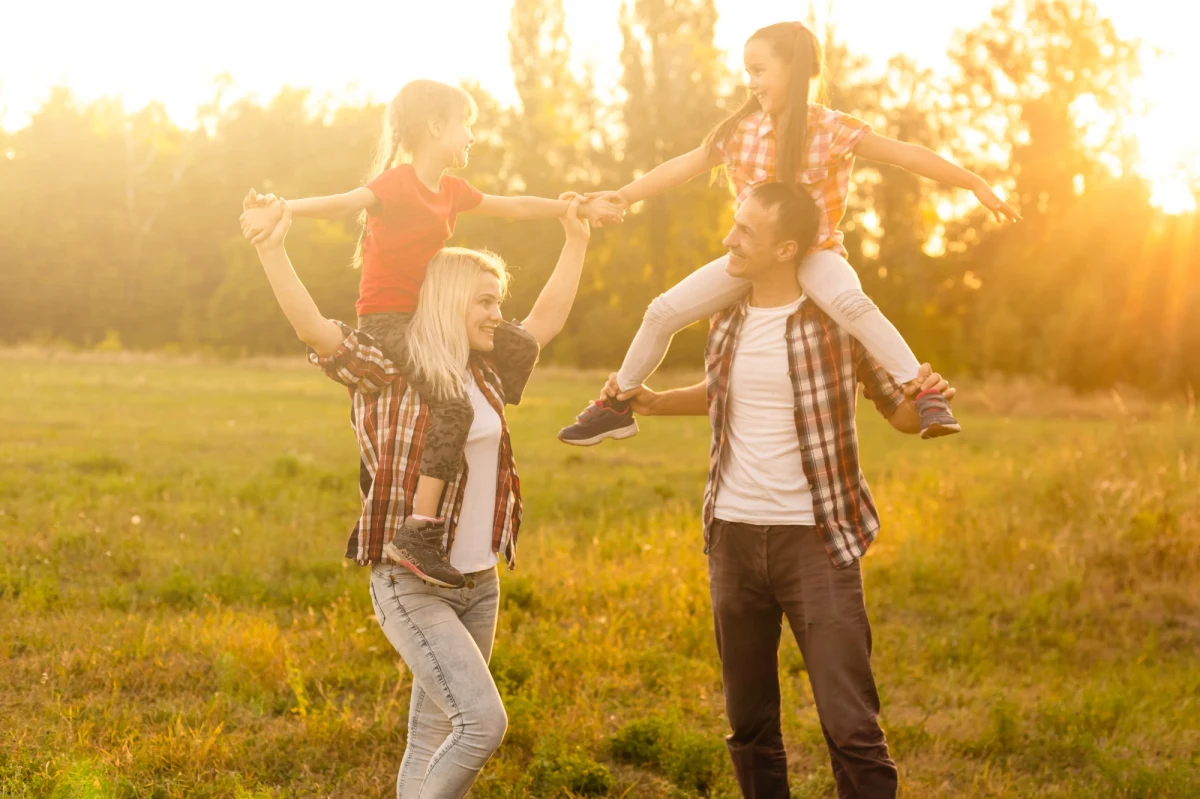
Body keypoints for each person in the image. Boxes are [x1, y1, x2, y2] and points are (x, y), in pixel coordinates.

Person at [608, 182, 956, 799]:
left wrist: (923, 395)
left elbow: (897, 412)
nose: (728, 240)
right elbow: (725, 393)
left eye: (745, 232)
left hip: (816, 541)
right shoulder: (727, 315)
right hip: (734, 537)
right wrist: (656, 402)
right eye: (733, 225)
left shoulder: (838, 320)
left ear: (785, 247)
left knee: (851, 726)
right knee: (749, 726)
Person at [241, 80, 624, 589]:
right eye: (466, 123)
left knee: (519, 343)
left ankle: (494, 399)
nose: (471, 136)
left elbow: (511, 206)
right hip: (388, 321)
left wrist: (568, 211)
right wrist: (282, 210)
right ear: (436, 126)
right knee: (452, 405)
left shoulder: (451, 192)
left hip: (427, 319)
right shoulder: (396, 185)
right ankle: (419, 530)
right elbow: (341, 202)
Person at [558, 20, 1013, 448]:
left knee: (853, 305)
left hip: (816, 255)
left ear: (795, 71)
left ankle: (922, 392)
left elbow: (905, 155)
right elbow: (684, 165)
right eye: (747, 73)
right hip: (754, 257)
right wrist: (622, 195)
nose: (751, 83)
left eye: (758, 71)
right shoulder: (741, 131)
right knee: (661, 313)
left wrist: (972, 181)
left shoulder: (832, 129)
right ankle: (618, 403)